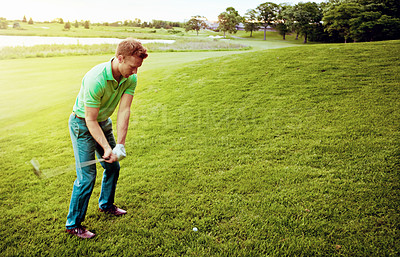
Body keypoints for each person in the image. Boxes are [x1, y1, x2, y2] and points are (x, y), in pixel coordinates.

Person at [65, 38, 148, 239]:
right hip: (82, 124)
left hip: (103, 122)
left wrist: (120, 144)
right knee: (87, 177)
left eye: (138, 67)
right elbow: (90, 120)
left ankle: (106, 205)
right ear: (120, 58)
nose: (135, 72)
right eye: (132, 66)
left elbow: (124, 110)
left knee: (113, 167)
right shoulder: (96, 79)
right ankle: (73, 224)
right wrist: (105, 146)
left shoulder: (130, 78)